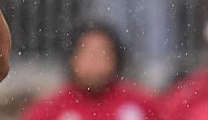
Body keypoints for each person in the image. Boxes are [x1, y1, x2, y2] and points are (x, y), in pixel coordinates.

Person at [21, 22, 163, 120]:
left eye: (102, 53)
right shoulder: (49, 108)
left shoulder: (142, 102)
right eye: (87, 53)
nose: (94, 62)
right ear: (72, 58)